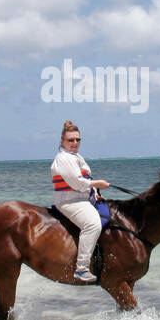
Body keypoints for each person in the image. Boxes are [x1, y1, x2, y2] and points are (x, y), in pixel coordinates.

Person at [50, 120, 110, 283]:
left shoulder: (75, 156)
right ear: (62, 141)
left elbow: (86, 178)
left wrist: (95, 191)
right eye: (71, 140)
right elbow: (77, 182)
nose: (75, 143)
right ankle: (82, 268)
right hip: (69, 201)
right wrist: (97, 183)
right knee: (92, 224)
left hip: (82, 198)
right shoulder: (63, 158)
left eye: (78, 140)